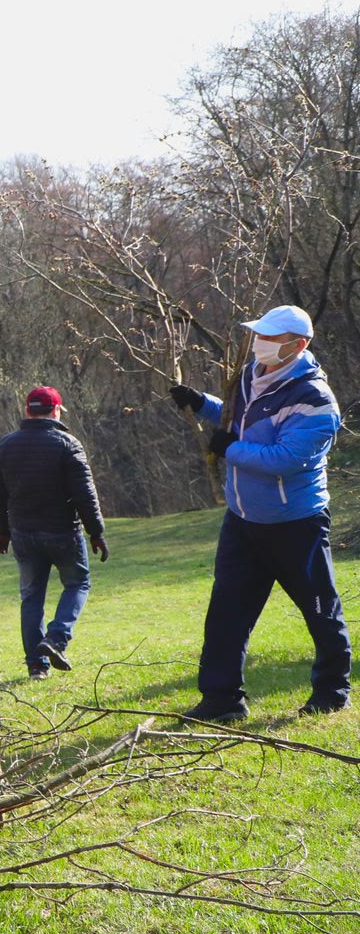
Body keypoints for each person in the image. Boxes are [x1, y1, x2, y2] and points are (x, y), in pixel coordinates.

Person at [168, 305, 351, 720]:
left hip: (295, 524)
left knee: (320, 610)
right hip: (242, 521)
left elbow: (283, 459)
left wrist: (228, 449)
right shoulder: (252, 375)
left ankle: (332, 691)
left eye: (270, 338)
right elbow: (240, 420)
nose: (259, 343)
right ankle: (222, 700)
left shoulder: (315, 401)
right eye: (258, 335)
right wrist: (202, 404)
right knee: (226, 613)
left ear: (298, 345)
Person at [0, 385, 110, 680]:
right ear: (56, 411)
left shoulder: (5, 445)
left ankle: (36, 667)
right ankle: (56, 639)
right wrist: (96, 532)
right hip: (62, 533)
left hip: (23, 533)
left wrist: (3, 531)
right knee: (78, 584)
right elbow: (85, 494)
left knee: (31, 598)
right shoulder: (68, 444)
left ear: (27, 411)